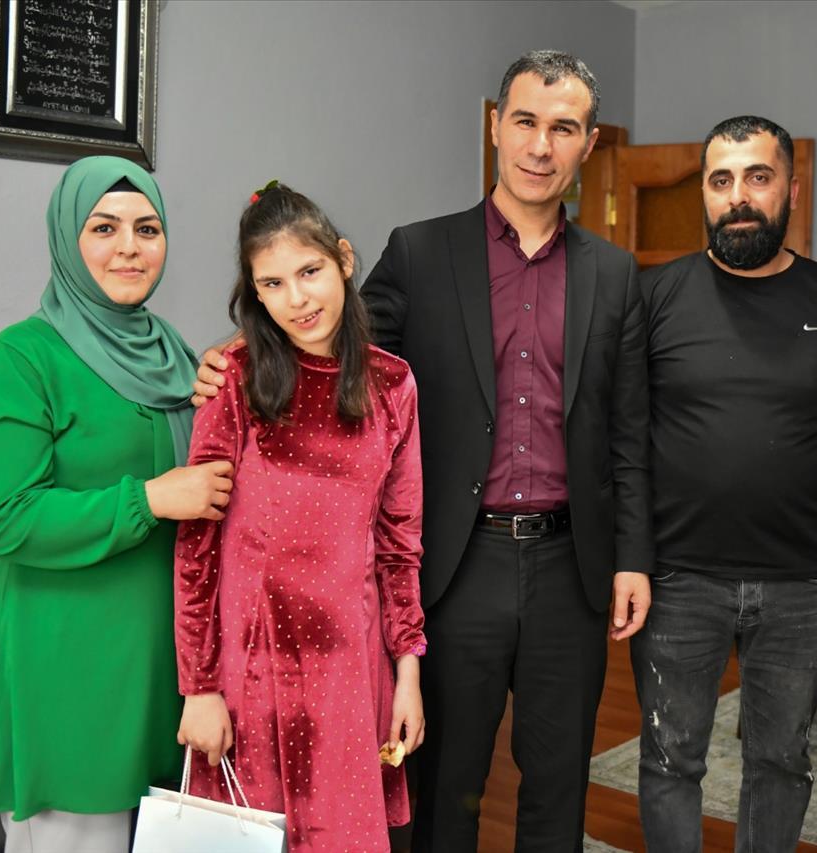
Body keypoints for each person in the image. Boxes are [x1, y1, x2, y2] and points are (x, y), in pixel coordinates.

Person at [193, 50, 652, 851]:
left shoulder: (615, 275)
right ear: (496, 126)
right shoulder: (421, 251)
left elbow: (629, 428)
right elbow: (329, 341)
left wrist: (633, 557)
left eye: (564, 128)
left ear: (588, 143)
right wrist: (235, 354)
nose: (541, 145)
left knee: (558, 785)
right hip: (455, 561)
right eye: (525, 122)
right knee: (447, 786)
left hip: (569, 566)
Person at [632, 115, 817, 853]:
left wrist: (794, 482)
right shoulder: (655, 298)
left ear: (791, 191)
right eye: (721, 180)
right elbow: (624, 434)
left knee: (780, 762)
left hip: (798, 582)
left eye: (758, 176)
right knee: (669, 758)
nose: (738, 196)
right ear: (704, 194)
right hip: (677, 577)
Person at [0, 156, 231, 853]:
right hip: (70, 674)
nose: (129, 248)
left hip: (168, 671)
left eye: (147, 229)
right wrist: (149, 499)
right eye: (104, 228)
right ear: (66, 237)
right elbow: (6, 518)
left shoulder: (174, 356)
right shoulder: (20, 360)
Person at [174, 183, 426, 853]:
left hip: (352, 670)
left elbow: (399, 543)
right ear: (255, 294)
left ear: (343, 259)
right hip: (252, 675)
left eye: (310, 271)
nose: (297, 298)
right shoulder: (234, 377)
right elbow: (197, 548)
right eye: (273, 283)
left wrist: (407, 673)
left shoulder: (392, 385)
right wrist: (199, 687)